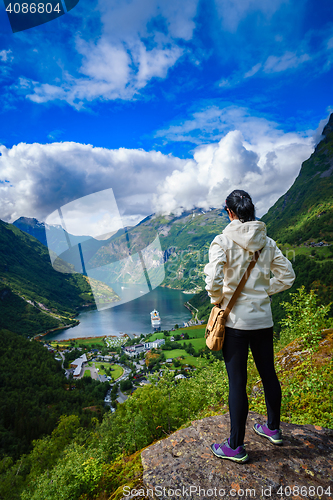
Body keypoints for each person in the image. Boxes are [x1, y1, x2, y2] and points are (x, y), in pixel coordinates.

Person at [204, 189, 295, 464]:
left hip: (235, 324)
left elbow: (212, 281)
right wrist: (264, 293)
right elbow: (287, 276)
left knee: (238, 383)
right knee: (269, 374)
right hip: (263, 321)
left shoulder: (222, 241)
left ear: (230, 212)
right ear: (251, 211)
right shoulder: (268, 242)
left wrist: (219, 300)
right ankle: (273, 429)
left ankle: (235, 446)